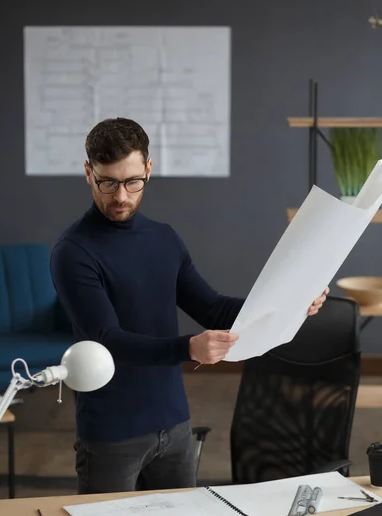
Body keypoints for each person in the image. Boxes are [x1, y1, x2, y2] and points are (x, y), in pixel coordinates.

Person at [50, 117, 328, 494]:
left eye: (133, 182)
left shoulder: (163, 238)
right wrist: (187, 348)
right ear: (88, 172)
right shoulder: (74, 252)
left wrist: (293, 303)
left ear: (148, 170)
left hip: (174, 424)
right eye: (108, 182)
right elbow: (107, 339)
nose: (121, 196)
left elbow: (212, 308)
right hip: (111, 435)